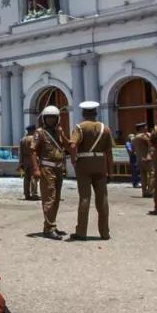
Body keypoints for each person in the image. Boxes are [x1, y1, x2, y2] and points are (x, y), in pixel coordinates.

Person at [68, 102, 113, 241]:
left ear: (83, 114)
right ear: (95, 113)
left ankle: (81, 232)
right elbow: (109, 152)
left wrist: (74, 159)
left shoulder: (80, 127)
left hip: (84, 164)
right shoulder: (105, 128)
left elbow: (73, 144)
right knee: (103, 198)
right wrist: (110, 171)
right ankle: (105, 232)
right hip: (100, 164)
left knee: (85, 198)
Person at [30, 105, 68, 239]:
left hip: (58, 168)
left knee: (56, 198)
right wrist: (36, 169)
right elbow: (33, 150)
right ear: (44, 119)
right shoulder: (40, 132)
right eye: (49, 118)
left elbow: (68, 146)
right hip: (47, 168)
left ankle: (52, 225)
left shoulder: (57, 133)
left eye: (54, 118)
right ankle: (48, 228)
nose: (51, 120)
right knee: (49, 198)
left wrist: (61, 135)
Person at [130, 123, 151, 198]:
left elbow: (132, 150)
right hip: (147, 159)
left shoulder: (133, 138)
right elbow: (150, 145)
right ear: (141, 128)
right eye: (145, 127)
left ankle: (144, 191)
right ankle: (150, 191)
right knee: (151, 175)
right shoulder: (144, 137)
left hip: (139, 159)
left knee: (143, 176)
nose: (146, 128)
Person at [20, 125, 39, 200]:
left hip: (25, 160)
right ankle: (34, 193)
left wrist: (21, 162)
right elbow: (35, 150)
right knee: (33, 176)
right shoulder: (33, 139)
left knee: (26, 177)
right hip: (32, 159)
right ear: (33, 130)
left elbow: (21, 152)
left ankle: (26, 194)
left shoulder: (23, 139)